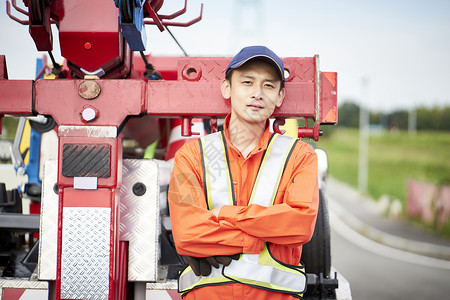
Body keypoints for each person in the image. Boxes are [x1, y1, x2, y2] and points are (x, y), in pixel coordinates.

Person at [168, 46, 319, 299]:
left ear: (280, 97)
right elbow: (186, 234)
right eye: (247, 82)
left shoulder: (300, 156)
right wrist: (258, 239)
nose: (257, 93)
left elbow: (300, 225)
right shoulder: (191, 155)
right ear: (227, 89)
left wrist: (224, 216)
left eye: (269, 86)